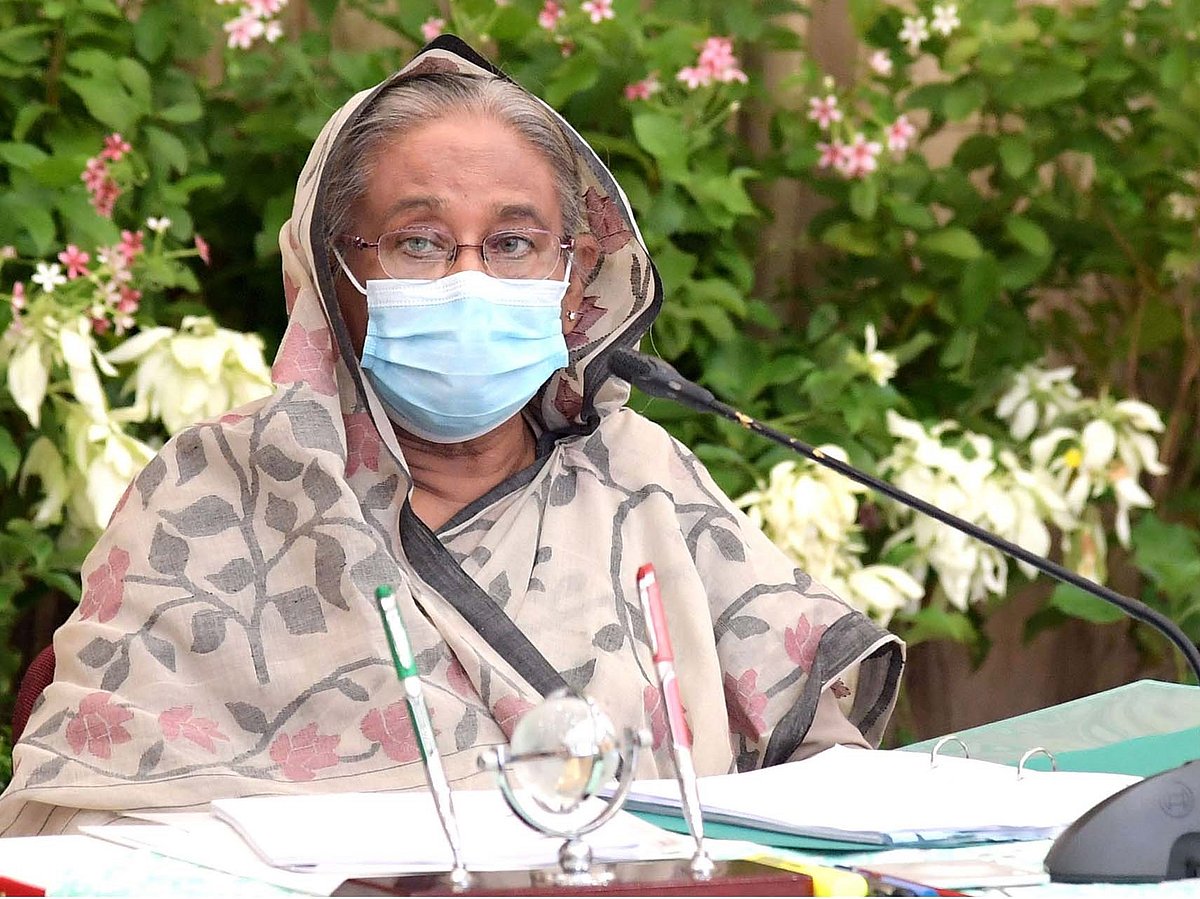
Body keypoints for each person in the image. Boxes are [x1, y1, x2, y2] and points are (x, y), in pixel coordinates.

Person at [0, 36, 903, 836]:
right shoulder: (212, 493)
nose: (469, 276)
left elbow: (826, 783)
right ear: (329, 269)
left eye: (513, 244)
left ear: (573, 270)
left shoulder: (642, 479)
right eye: (420, 242)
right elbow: (93, 826)